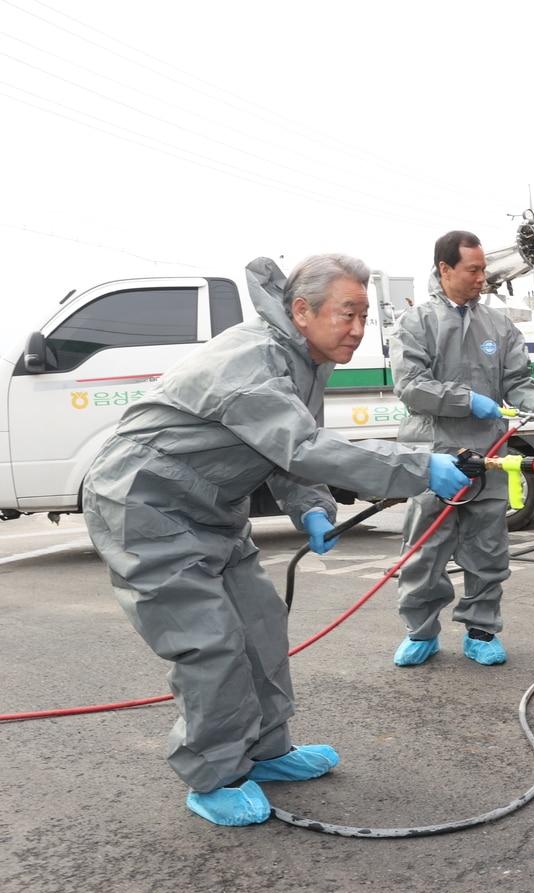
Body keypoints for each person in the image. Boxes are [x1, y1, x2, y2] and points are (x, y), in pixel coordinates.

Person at [82, 254, 473, 827]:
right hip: (144, 506)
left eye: (366, 316)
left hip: (210, 508)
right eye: (348, 314)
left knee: (261, 623)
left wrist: (310, 506)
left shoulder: (303, 357)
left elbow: (288, 450)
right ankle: (214, 776)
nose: (359, 330)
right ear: (301, 310)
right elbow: (302, 446)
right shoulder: (253, 358)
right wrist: (421, 466)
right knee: (208, 642)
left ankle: (265, 749)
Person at [389, 230, 534, 668]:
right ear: (444, 269)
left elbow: (517, 383)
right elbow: (411, 388)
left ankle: (481, 631)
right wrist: (468, 400)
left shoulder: (498, 325)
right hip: (434, 457)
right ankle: (421, 631)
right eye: (473, 269)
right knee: (424, 553)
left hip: (488, 457)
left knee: (487, 550)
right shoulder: (416, 324)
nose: (482, 278)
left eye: (484, 269)